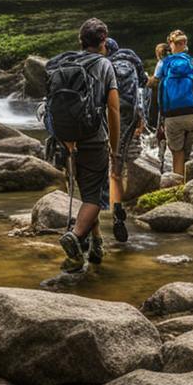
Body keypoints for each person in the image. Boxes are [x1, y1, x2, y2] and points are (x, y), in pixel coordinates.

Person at [49, 19, 120, 273]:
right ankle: (76, 236)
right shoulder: (104, 65)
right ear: (104, 41)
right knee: (95, 196)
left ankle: (95, 245)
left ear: (81, 41)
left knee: (84, 192)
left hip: (65, 140)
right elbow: (113, 109)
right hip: (93, 138)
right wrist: (115, 147)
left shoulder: (65, 64)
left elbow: (49, 106)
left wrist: (60, 138)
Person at [106, 37, 147, 244]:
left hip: (110, 116)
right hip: (131, 116)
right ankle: (126, 197)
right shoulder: (132, 60)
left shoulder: (105, 65)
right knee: (125, 161)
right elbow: (143, 86)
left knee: (112, 169)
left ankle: (116, 208)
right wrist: (141, 119)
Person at [150, 30, 193, 183]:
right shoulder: (191, 62)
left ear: (171, 44)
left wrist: (143, 80)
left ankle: (178, 189)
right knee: (186, 154)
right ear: (184, 43)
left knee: (177, 154)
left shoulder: (164, 62)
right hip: (191, 115)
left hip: (172, 116)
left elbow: (154, 81)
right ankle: (188, 186)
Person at [149, 42, 171, 168]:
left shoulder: (162, 63)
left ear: (158, 54)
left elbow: (155, 80)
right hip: (184, 106)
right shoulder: (180, 62)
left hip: (165, 104)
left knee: (161, 133)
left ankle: (161, 162)